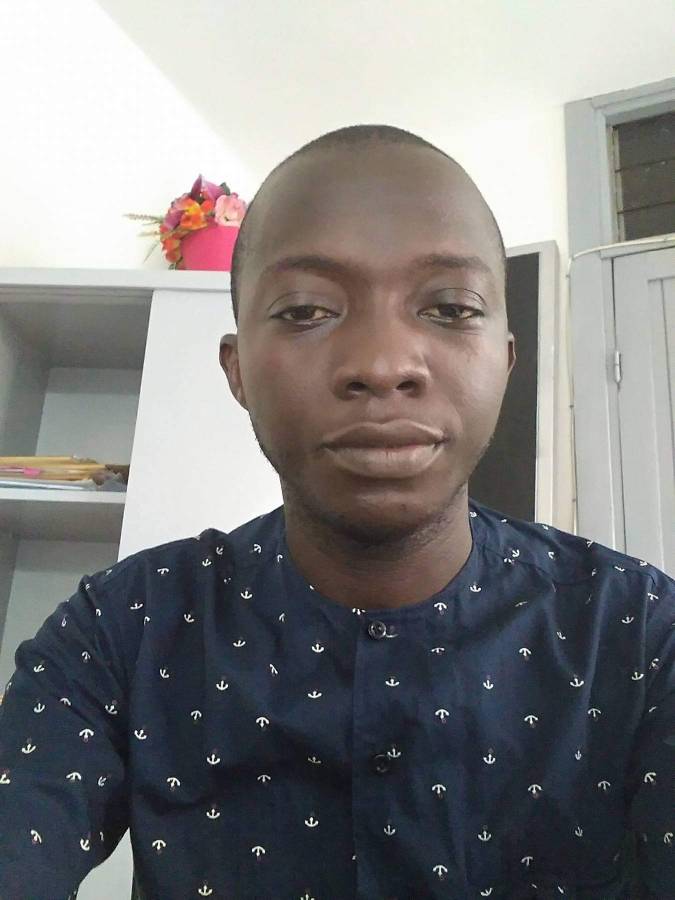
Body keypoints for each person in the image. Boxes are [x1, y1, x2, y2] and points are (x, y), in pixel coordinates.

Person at [0, 124, 673, 900]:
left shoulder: (638, 635)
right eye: (305, 310)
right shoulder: (122, 630)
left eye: (449, 307)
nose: (382, 366)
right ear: (237, 370)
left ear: (505, 361)